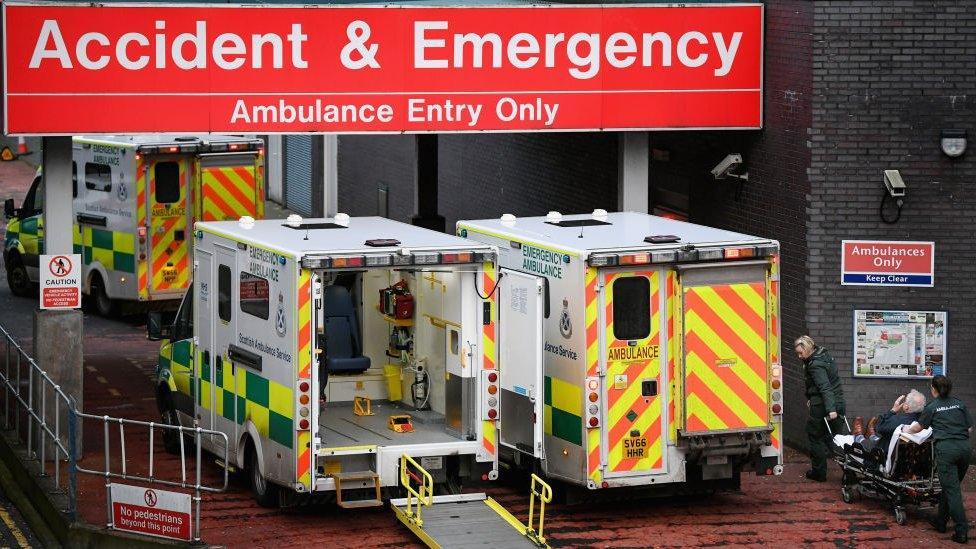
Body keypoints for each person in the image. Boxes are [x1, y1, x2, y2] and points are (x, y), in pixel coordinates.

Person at [906, 375, 972, 544]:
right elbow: (969, 428)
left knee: (952, 490)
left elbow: (918, 427)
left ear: (933, 389)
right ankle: (941, 521)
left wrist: (906, 429)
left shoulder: (932, 407)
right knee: (950, 487)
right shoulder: (959, 403)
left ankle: (961, 531)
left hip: (946, 450)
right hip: (965, 449)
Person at [796, 335, 847, 482]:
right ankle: (851, 472)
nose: (799, 356)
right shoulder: (824, 355)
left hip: (824, 405)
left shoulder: (815, 364)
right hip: (837, 402)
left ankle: (819, 473)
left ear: (808, 348)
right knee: (838, 439)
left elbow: (825, 387)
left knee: (815, 437)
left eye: (801, 352)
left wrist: (830, 409)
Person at [857, 390, 926, 456]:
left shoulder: (898, 421)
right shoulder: (925, 422)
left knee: (863, 443)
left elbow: (879, 427)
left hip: (884, 452)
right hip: (907, 457)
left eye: (904, 401)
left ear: (906, 406)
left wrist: (893, 411)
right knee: (879, 438)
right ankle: (872, 436)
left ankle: (859, 437)